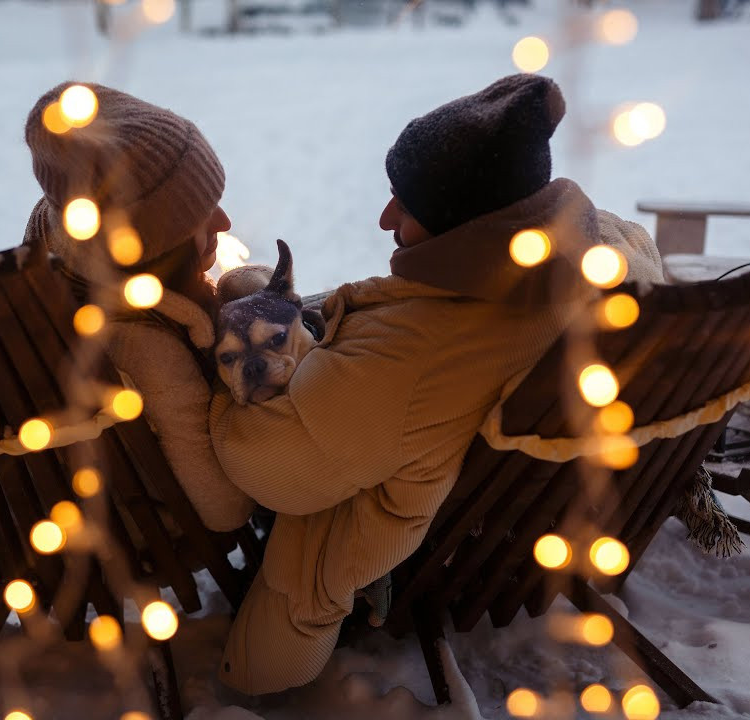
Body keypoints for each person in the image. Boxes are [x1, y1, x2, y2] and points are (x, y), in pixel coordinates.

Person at [209, 73, 664, 695]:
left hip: (431, 548)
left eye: (407, 204)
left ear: (465, 222)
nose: (384, 216)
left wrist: (210, 391)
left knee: (260, 659)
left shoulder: (416, 352)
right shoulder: (595, 259)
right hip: (533, 507)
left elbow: (267, 466)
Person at [21, 81, 255, 533]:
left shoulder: (62, 252)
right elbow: (224, 510)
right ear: (157, 245)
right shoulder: (148, 350)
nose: (224, 221)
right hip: (141, 529)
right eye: (201, 214)